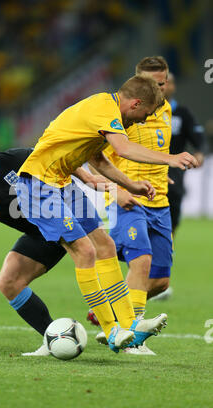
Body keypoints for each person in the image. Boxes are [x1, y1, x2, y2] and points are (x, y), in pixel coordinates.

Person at [16, 75, 197, 354]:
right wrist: (170, 159)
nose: (141, 121)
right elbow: (123, 148)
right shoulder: (104, 108)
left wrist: (131, 184)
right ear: (135, 103)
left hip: (63, 182)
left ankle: (130, 325)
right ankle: (113, 332)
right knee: (85, 252)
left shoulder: (105, 113)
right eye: (144, 114)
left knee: (106, 246)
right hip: (39, 184)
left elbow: (98, 159)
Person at [0, 130, 110, 356]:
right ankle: (53, 338)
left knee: (107, 250)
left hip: (67, 209)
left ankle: (118, 318)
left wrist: (87, 178)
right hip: (41, 235)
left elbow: (57, 157)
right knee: (8, 282)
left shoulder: (14, 159)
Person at [88, 57, 200, 354]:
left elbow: (153, 150)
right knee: (142, 262)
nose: (158, 90)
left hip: (159, 198)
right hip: (128, 198)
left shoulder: (164, 109)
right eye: (151, 85)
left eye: (162, 84)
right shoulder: (120, 114)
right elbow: (97, 157)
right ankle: (131, 335)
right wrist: (115, 188)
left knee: (160, 281)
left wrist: (163, 175)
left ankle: (112, 312)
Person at [165, 72, 206, 235]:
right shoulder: (145, 112)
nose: (164, 87)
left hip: (174, 173)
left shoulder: (182, 114)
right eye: (161, 83)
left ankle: (168, 247)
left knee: (173, 214)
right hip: (147, 169)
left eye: (168, 83)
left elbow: (199, 138)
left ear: (174, 87)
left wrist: (200, 153)